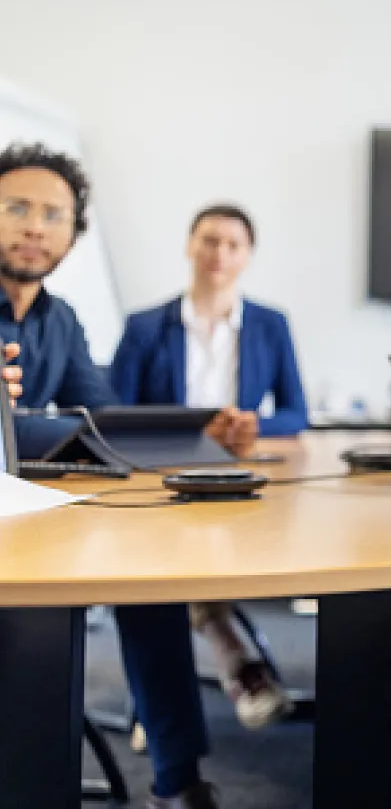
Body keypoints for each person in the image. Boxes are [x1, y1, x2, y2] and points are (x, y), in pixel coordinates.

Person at [0, 143, 222, 808]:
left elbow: (101, 413)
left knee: (149, 576)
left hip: (38, 521)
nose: (35, 227)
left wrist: (202, 434)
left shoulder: (59, 320)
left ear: (74, 233)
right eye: (16, 208)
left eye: (53, 215)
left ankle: (177, 778)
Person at [110, 203, 305, 732]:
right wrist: (188, 431)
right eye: (209, 241)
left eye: (232, 244)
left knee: (203, 558)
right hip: (160, 480)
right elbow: (112, 412)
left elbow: (297, 410)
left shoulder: (270, 324)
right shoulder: (145, 326)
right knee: (182, 559)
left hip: (241, 480)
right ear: (190, 246)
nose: (219, 254)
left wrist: (252, 426)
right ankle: (236, 667)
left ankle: (164, 699)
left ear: (248, 256)